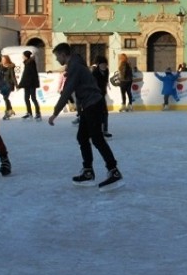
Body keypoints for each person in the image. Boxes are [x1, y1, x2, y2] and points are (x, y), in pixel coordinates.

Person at [48, 43, 123, 190]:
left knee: (97, 139)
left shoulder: (75, 67)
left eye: (57, 56)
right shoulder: (75, 65)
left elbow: (67, 91)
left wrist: (55, 113)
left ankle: (114, 171)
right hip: (88, 105)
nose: (57, 60)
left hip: (93, 105)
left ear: (63, 55)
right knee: (82, 137)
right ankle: (88, 171)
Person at [91, 55, 112, 138]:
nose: (104, 66)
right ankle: (95, 131)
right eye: (102, 64)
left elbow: (105, 82)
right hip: (94, 96)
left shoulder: (106, 71)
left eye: (105, 64)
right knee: (96, 114)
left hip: (102, 95)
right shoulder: (94, 73)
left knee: (105, 113)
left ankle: (105, 130)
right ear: (98, 65)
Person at [18, 50, 41, 121]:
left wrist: (21, 84)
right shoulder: (27, 63)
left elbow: (29, 75)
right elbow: (25, 75)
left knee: (33, 98)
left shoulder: (30, 63)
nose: (22, 57)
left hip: (31, 84)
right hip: (27, 84)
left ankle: (38, 113)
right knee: (26, 98)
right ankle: (29, 113)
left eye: (23, 55)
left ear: (26, 56)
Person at [0, 55, 17, 120]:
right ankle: (10, 110)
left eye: (4, 59)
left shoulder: (10, 67)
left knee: (5, 98)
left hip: (9, 84)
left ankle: (7, 113)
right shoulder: (1, 67)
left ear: (7, 60)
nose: (2, 61)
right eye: (2, 59)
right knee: (5, 98)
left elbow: (13, 76)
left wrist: (16, 85)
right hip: (3, 85)